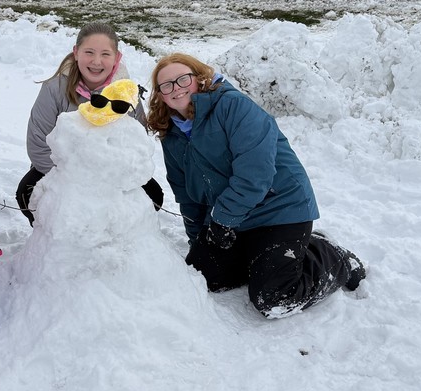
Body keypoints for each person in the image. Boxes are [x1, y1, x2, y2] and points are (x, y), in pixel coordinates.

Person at [147, 53, 365, 319]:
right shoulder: (172, 133)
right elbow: (187, 194)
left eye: (183, 79)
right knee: (201, 277)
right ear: (160, 94)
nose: (176, 88)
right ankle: (265, 259)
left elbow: (256, 175)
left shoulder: (233, 106)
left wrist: (223, 219)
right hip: (233, 218)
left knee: (274, 298)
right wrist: (199, 241)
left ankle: (332, 255)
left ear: (199, 79)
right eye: (166, 85)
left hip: (279, 208)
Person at [16, 21, 164, 224]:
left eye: (105, 54)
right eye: (89, 52)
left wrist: (107, 181)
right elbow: (39, 145)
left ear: (117, 58)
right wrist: (79, 182)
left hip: (111, 173)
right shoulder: (54, 89)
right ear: (76, 53)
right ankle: (56, 236)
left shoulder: (125, 93)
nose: (96, 61)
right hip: (63, 170)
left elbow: (136, 144)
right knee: (27, 194)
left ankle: (118, 236)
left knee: (153, 196)